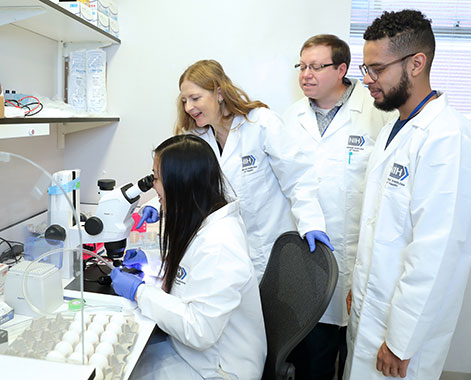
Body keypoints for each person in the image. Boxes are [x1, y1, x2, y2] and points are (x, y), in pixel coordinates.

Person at [345, 10, 471, 380]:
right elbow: (381, 224)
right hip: (371, 307)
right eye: (365, 69)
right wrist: (357, 286)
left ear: (416, 63)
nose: (367, 81)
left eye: (377, 69)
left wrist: (401, 340)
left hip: (403, 333)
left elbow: (436, 252)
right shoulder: (394, 127)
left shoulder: (448, 137)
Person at [282, 34, 395, 380]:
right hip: (309, 256)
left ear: (341, 69)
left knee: (358, 359)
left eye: (316, 66)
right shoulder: (291, 117)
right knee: (312, 358)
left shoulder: (377, 114)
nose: (306, 75)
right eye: (302, 66)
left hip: (360, 258)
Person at [110, 135, 267, 379]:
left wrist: (139, 292)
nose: (153, 186)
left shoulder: (220, 244)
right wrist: (151, 263)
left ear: (181, 182)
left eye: (157, 178)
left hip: (219, 368)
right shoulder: (205, 219)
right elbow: (194, 275)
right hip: (195, 353)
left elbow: (200, 330)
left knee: (120, 370)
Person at [170, 59, 332, 281]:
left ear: (219, 93)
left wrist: (311, 222)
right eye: (185, 100)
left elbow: (297, 178)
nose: (189, 107)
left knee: (274, 311)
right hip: (226, 252)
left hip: (272, 249)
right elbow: (184, 183)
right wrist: (158, 205)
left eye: (195, 98)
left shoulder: (260, 123)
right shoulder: (198, 138)